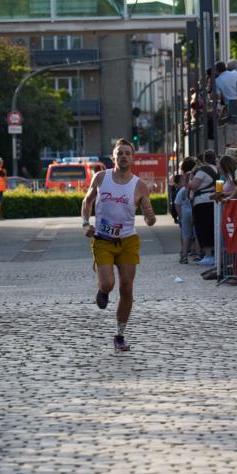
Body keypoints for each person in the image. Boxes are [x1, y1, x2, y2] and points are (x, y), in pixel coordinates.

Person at [81, 139, 156, 351]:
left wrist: (150, 218)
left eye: (127, 153)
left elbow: (148, 215)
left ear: (133, 159)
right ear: (113, 157)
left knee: (127, 287)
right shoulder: (101, 178)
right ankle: (103, 290)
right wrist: (86, 223)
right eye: (119, 153)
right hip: (103, 240)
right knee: (108, 284)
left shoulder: (139, 185)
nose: (123, 156)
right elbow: (87, 202)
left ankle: (120, 334)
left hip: (128, 241)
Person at [188, 149, 218, 266]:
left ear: (204, 159)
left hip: (201, 202)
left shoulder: (202, 170)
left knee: (203, 228)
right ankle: (215, 255)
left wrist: (190, 179)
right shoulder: (217, 169)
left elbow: (194, 186)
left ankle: (208, 255)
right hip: (214, 200)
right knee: (212, 227)